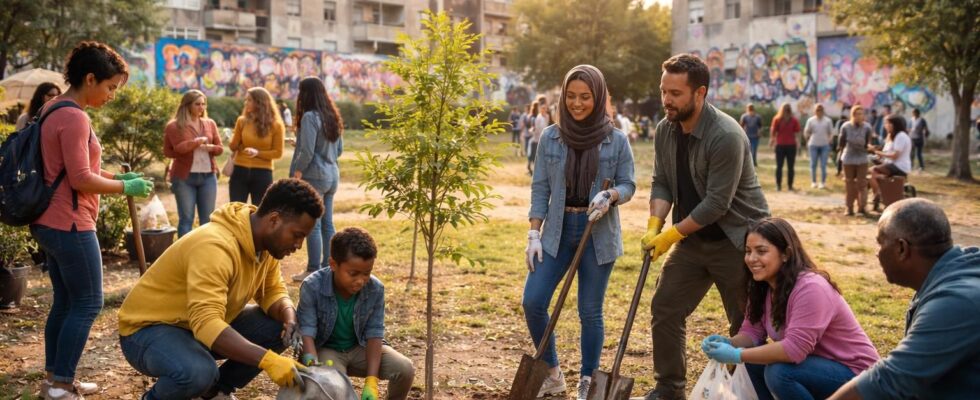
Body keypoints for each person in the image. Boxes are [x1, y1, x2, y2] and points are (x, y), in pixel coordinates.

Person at [634, 54, 770, 400]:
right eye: (664, 90)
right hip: (693, 240)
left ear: (700, 93)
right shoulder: (666, 129)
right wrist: (654, 224)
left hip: (738, 240)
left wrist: (672, 234)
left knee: (745, 322)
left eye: (676, 93)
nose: (667, 100)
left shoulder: (725, 135)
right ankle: (669, 389)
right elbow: (662, 180)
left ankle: (748, 391)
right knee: (665, 307)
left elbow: (717, 203)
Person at [118, 179, 322, 399]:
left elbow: (271, 290)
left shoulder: (265, 246)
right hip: (147, 330)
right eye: (297, 235)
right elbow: (205, 323)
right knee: (198, 372)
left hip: (192, 326)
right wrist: (269, 360)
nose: (299, 245)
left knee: (277, 325)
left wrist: (288, 316)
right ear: (274, 220)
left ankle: (217, 391)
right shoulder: (215, 247)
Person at [30, 41, 154, 400]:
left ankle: (55, 379)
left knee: (66, 302)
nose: (113, 95)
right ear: (89, 78)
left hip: (49, 220)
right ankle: (60, 386)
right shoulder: (73, 116)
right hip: (69, 222)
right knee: (88, 303)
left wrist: (115, 177)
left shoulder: (53, 108)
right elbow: (81, 178)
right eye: (111, 86)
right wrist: (123, 185)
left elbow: (70, 171)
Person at [524, 64, 636, 399]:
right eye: (571, 96)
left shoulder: (615, 140)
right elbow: (541, 186)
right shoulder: (551, 137)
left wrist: (611, 195)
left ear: (598, 97)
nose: (576, 103)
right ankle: (553, 371)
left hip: (596, 231)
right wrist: (533, 232)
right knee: (533, 301)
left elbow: (629, 184)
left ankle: (587, 379)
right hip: (557, 231)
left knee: (589, 310)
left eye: (585, 97)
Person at [700, 218, 878, 400]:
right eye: (748, 251)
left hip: (859, 378)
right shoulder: (762, 286)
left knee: (780, 372)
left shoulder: (811, 287)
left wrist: (737, 355)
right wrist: (729, 344)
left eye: (761, 251)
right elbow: (752, 332)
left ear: (786, 254)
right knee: (753, 362)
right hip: (813, 368)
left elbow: (794, 350)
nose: (751, 259)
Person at [829, 198, 980, 399]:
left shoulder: (954, 303)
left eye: (880, 243)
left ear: (902, 248)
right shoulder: (955, 271)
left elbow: (887, 382)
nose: (877, 253)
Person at [297, 227, 415, 400]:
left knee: (404, 369)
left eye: (366, 273)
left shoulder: (375, 288)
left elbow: (374, 333)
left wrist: (371, 381)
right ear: (333, 264)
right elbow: (307, 330)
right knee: (335, 387)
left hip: (360, 349)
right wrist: (312, 366)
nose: (361, 280)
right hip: (328, 351)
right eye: (353, 274)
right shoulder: (312, 286)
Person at [288, 77, 345, 283]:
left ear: (306, 94)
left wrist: (297, 172)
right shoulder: (333, 116)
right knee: (328, 223)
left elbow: (307, 152)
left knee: (314, 224)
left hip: (314, 176)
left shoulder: (310, 117)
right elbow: (339, 150)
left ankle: (313, 269)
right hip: (332, 175)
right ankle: (328, 267)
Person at [163, 90, 223, 237]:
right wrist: (193, 144)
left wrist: (211, 148)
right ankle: (183, 256)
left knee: (207, 220)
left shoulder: (210, 124)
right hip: (184, 178)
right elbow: (169, 152)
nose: (201, 107)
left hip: (208, 176)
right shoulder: (174, 126)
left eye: (203, 104)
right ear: (187, 105)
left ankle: (205, 252)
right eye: (197, 104)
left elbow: (220, 149)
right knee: (186, 219)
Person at [229, 87, 285, 204]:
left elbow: (278, 153)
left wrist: (257, 153)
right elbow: (233, 146)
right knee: (236, 210)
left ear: (259, 103)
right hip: (240, 171)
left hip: (262, 173)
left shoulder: (276, 125)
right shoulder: (242, 121)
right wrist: (234, 139)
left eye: (249, 100)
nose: (246, 103)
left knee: (260, 211)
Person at [869, 114, 912, 211]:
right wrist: (876, 153)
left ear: (894, 125)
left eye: (887, 123)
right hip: (891, 164)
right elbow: (886, 153)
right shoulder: (891, 136)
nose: (885, 126)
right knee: (872, 173)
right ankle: (879, 194)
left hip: (899, 166)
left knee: (872, 171)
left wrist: (877, 152)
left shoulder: (901, 136)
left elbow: (894, 155)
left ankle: (878, 195)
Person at [837, 105, 874, 216]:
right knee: (849, 183)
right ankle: (849, 208)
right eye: (857, 114)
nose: (860, 116)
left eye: (862, 114)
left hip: (862, 158)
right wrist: (839, 158)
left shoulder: (867, 127)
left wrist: (870, 148)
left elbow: (868, 142)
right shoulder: (846, 126)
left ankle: (862, 207)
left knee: (861, 184)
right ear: (853, 115)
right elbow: (841, 143)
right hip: (848, 158)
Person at [769, 103, 801, 191]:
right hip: (780, 146)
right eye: (786, 109)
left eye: (788, 110)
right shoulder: (777, 119)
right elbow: (773, 131)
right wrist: (772, 140)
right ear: (782, 110)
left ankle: (790, 186)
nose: (787, 111)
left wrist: (798, 143)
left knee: (791, 167)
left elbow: (797, 132)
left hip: (791, 146)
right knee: (779, 166)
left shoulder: (794, 120)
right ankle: (778, 185)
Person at [804, 103, 834, 189]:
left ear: (823, 111)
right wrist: (807, 140)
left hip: (824, 145)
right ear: (815, 111)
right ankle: (813, 182)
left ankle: (822, 182)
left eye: (820, 110)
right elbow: (806, 131)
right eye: (817, 110)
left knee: (823, 165)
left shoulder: (828, 121)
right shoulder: (811, 120)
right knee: (813, 164)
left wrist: (830, 140)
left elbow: (831, 132)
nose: (819, 112)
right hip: (813, 145)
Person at [527, 101, 546, 176]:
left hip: (537, 138)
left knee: (534, 155)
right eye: (539, 107)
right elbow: (533, 128)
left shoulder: (539, 116)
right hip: (535, 138)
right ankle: (531, 169)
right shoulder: (535, 117)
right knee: (534, 155)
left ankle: (531, 168)